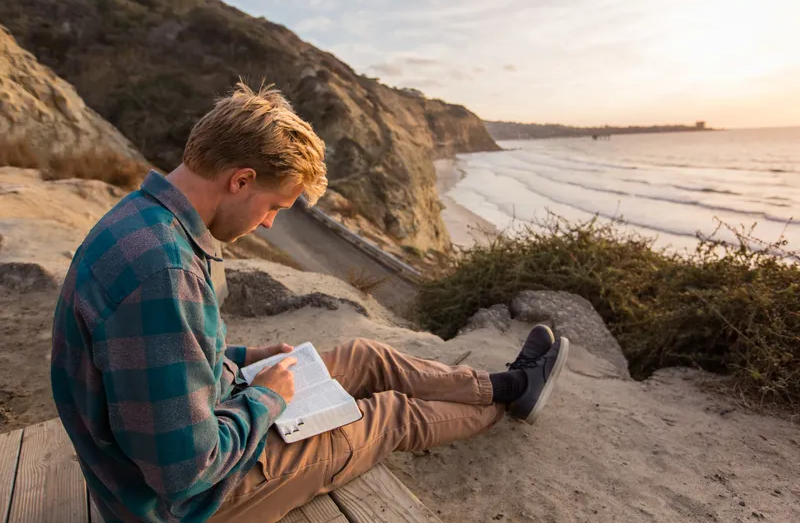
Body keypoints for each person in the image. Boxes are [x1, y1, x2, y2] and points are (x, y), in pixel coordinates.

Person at [51, 83, 570, 523]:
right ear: (241, 179)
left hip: (188, 428)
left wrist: (243, 359)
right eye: (275, 206)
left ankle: (503, 385)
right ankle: (509, 403)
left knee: (369, 357)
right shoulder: (164, 273)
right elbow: (187, 473)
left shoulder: (142, 219)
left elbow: (146, 359)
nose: (272, 222)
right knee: (386, 414)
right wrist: (268, 397)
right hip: (181, 504)